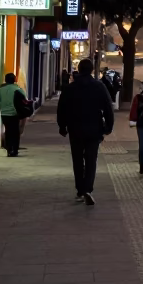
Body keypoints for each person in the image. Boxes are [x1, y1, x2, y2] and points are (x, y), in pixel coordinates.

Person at [56, 58, 114, 205]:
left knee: (77, 159)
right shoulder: (99, 86)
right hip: (94, 128)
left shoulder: (70, 88)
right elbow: (108, 107)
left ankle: (80, 190)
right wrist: (108, 126)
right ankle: (88, 188)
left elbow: (62, 108)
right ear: (92, 70)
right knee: (91, 159)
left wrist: (62, 126)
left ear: (79, 70)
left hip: (75, 128)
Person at [0, 73, 28, 157]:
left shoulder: (0, 90)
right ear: (14, 80)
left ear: (5, 80)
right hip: (15, 113)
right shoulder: (18, 89)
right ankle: (15, 150)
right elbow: (24, 100)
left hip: (4, 114)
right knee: (15, 131)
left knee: (8, 130)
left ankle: (9, 149)